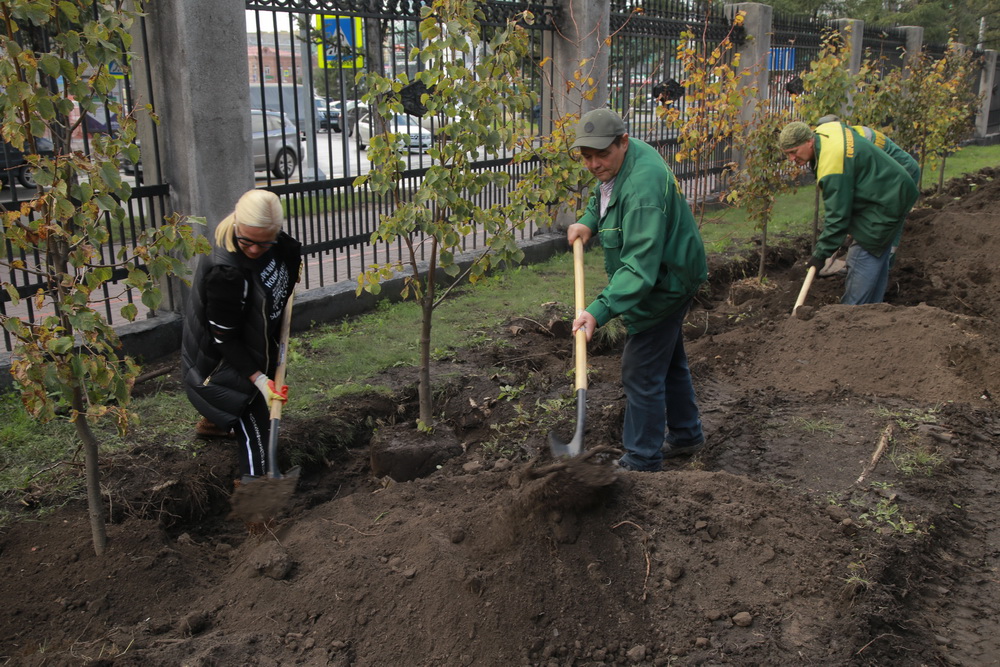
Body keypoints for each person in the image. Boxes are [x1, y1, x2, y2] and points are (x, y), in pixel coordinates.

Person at [567, 108, 708, 472]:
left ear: (623, 142)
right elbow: (606, 193)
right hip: (670, 270)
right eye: (587, 157)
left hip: (665, 282)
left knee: (641, 369)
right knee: (669, 362)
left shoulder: (643, 189)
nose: (595, 164)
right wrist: (587, 221)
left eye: (602, 155)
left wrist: (597, 311)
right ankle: (686, 435)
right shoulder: (622, 161)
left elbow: (639, 269)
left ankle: (642, 459)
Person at [181, 189, 302, 481]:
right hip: (221, 363)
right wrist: (260, 380)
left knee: (240, 402)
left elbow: (285, 256)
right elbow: (225, 339)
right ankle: (258, 504)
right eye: (246, 241)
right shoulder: (226, 274)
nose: (254, 249)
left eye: (264, 243)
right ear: (237, 225)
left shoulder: (277, 243)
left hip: (254, 344)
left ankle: (214, 422)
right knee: (255, 422)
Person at [779, 120, 918, 305]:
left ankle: (849, 315)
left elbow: (838, 218)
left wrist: (820, 255)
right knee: (877, 254)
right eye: (787, 154)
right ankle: (874, 310)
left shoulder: (832, 164)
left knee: (863, 253)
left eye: (793, 152)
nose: (791, 159)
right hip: (885, 191)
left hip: (886, 200)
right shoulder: (826, 131)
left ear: (809, 141)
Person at [814, 114, 920, 268]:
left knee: (886, 224)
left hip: (903, 173)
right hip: (890, 175)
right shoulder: (850, 133)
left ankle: (884, 264)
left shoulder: (855, 141)